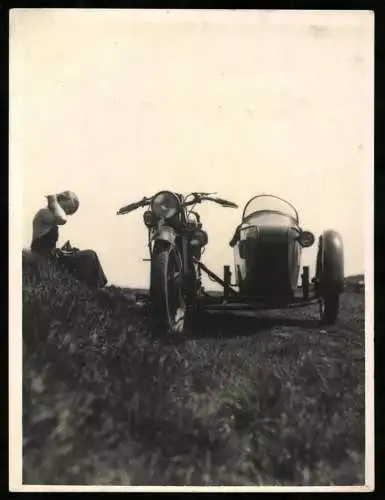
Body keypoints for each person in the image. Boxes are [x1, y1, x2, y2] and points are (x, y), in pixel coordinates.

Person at [30, 191, 108, 288]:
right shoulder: (44, 213)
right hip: (45, 259)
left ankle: (98, 287)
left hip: (52, 257)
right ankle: (91, 288)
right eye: (67, 208)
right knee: (89, 256)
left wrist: (62, 251)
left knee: (90, 255)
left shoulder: (49, 214)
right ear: (61, 199)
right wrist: (53, 200)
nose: (66, 212)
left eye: (69, 212)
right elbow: (62, 219)